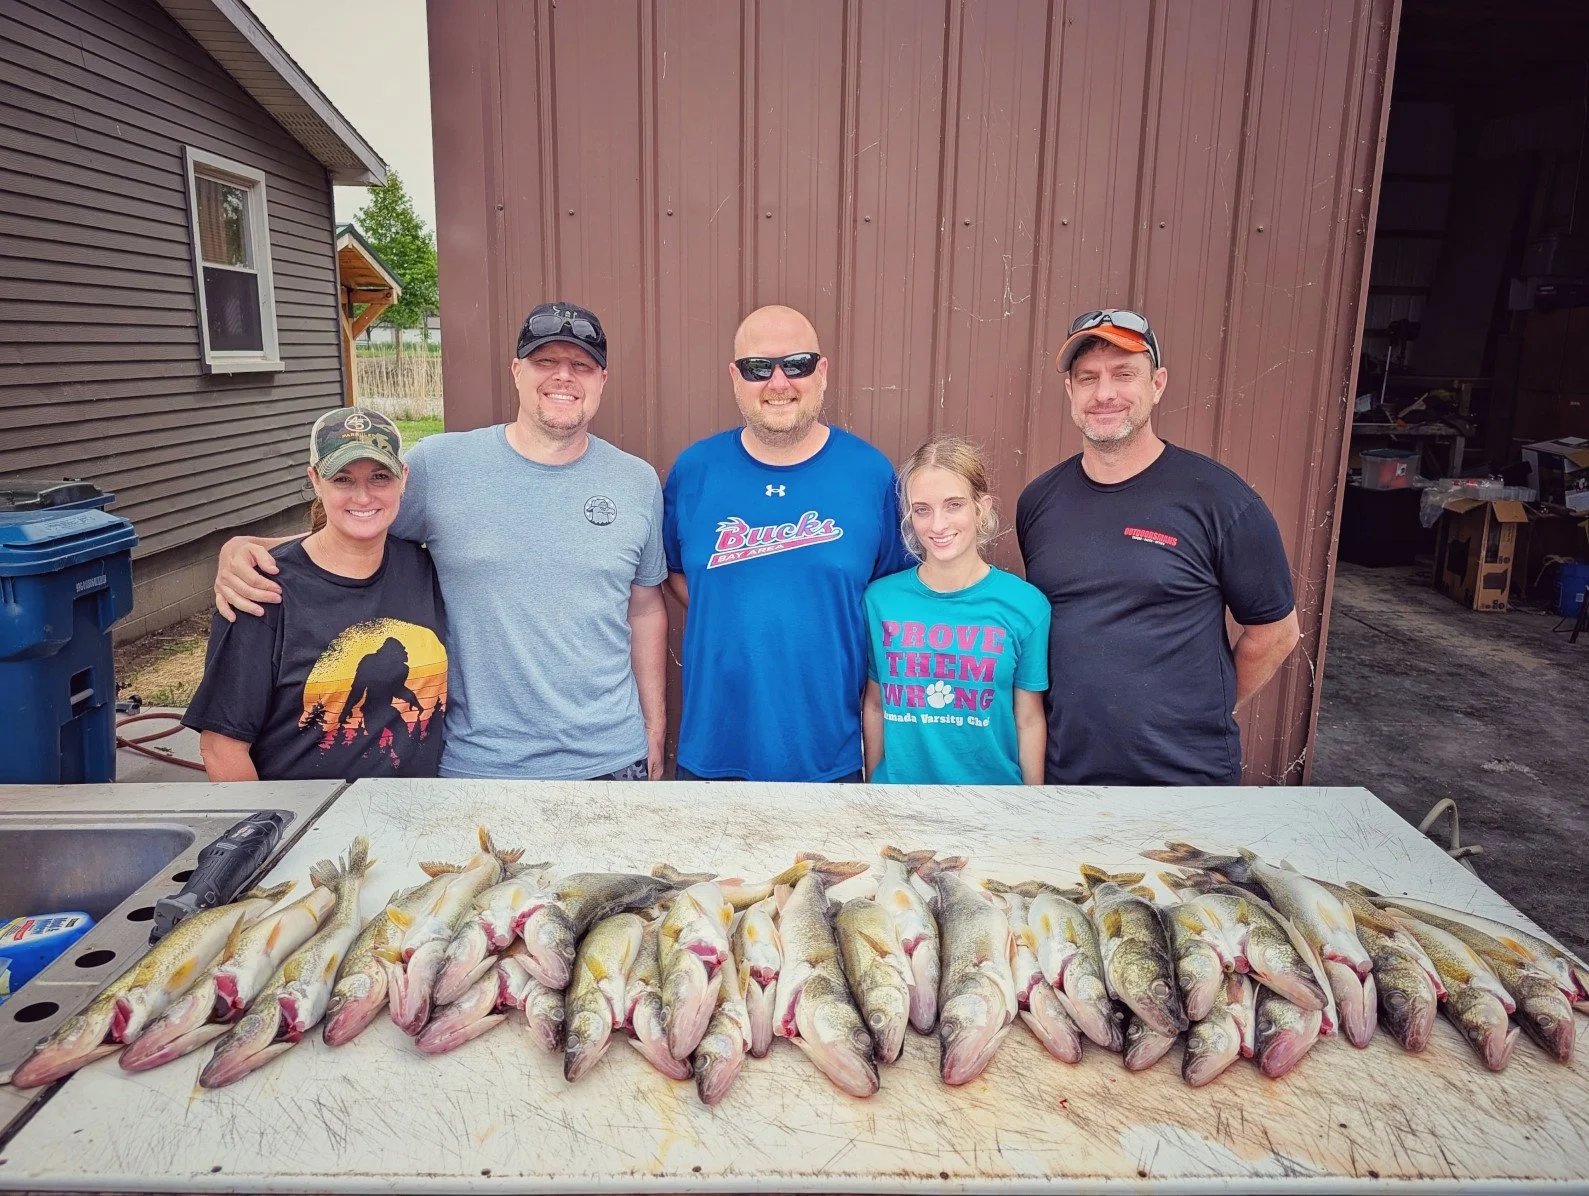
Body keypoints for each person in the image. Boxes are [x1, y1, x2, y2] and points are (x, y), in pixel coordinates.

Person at [212, 303, 670, 781]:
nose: (563, 377)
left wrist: (653, 727)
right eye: (545, 362)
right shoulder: (442, 465)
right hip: (480, 766)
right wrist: (246, 546)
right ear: (517, 371)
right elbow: (357, 521)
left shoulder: (635, 481)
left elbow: (645, 608)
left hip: (612, 760)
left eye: (581, 365)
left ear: (602, 380)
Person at [1015, 308, 1301, 786]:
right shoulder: (1040, 502)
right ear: (1070, 392)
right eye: (1088, 378)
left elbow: (1276, 633)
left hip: (1185, 778)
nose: (1104, 393)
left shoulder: (1220, 500)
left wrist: (1201, 712)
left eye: (1124, 374)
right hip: (1068, 775)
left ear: (1158, 383)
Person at [662, 305, 915, 782]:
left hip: (827, 755)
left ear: (822, 372)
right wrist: (739, 612)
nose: (779, 383)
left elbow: (889, 593)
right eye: (759, 368)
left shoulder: (870, 474)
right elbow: (676, 574)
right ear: (735, 377)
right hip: (712, 751)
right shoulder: (695, 471)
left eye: (796, 364)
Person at [184, 408, 447, 780]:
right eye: (342, 479)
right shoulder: (264, 588)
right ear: (315, 481)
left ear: (403, 479)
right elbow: (222, 746)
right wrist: (270, 832)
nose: (363, 495)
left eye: (379, 477)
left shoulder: (425, 570)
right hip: (307, 821)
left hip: (411, 816)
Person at [861, 437, 1049, 785]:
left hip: (992, 800)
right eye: (922, 510)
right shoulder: (880, 601)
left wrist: (1033, 806)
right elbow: (875, 705)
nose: (937, 525)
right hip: (900, 801)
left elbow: (1028, 719)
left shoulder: (1026, 606)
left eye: (953, 505)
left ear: (981, 507)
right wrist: (875, 788)